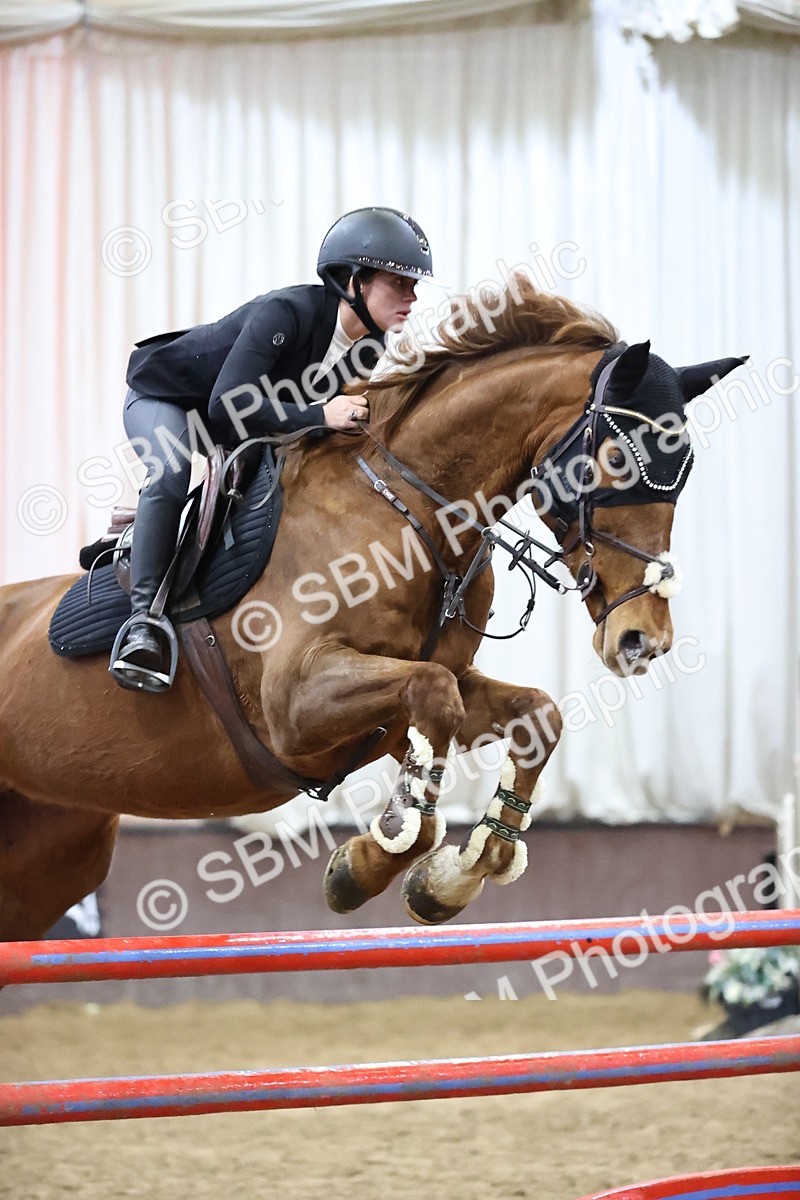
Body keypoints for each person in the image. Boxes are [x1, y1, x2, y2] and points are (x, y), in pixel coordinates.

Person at [109, 206, 433, 693]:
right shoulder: (288, 313)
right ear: (351, 281)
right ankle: (142, 624)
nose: (412, 296)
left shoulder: (372, 345)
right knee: (173, 471)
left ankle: (168, 534)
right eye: (398, 282)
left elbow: (299, 426)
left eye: (414, 285)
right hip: (169, 399)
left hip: (237, 425)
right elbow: (227, 405)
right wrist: (321, 414)